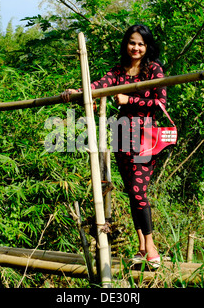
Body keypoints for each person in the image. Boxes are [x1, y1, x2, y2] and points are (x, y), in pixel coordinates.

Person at [65, 24, 167, 268]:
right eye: (132, 42)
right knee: (132, 192)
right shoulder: (119, 70)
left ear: (147, 46)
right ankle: (142, 247)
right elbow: (99, 85)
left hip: (144, 136)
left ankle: (152, 248)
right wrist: (77, 91)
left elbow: (160, 103)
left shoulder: (154, 69)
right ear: (126, 44)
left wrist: (128, 99)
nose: (136, 47)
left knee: (139, 192)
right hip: (121, 135)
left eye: (141, 44)